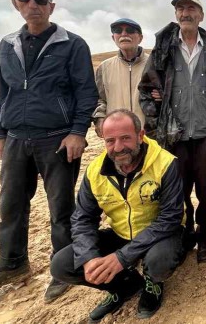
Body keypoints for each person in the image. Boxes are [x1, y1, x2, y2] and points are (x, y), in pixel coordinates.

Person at [0, 0, 97, 303]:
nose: (33, 5)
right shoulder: (7, 44)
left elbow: (86, 93)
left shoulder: (72, 44)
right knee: (10, 206)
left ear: (51, 6)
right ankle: (12, 264)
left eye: (40, 0)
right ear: (16, 4)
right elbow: (4, 93)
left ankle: (64, 268)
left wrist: (77, 132)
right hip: (15, 138)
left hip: (56, 139)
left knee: (61, 209)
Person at [50, 110, 184, 322]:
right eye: (110, 141)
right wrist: (88, 257)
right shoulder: (94, 171)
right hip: (121, 233)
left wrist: (122, 257)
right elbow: (83, 218)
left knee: (160, 261)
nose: (118, 147)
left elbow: (170, 218)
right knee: (62, 265)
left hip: (159, 235)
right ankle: (125, 286)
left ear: (140, 136)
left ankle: (153, 284)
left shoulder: (166, 163)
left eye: (125, 138)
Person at [139, 0, 206, 263]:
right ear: (176, 14)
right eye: (181, 9)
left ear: (201, 15)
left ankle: (205, 237)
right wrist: (157, 127)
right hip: (173, 139)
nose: (186, 13)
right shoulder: (163, 49)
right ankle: (184, 235)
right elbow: (146, 91)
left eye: (192, 9)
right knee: (176, 193)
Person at [92, 18, 149, 137]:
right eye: (118, 31)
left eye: (130, 30)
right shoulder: (104, 67)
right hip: (117, 136)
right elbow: (100, 99)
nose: (124, 34)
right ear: (113, 38)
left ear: (140, 38)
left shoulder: (154, 64)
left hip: (150, 134)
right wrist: (100, 118)